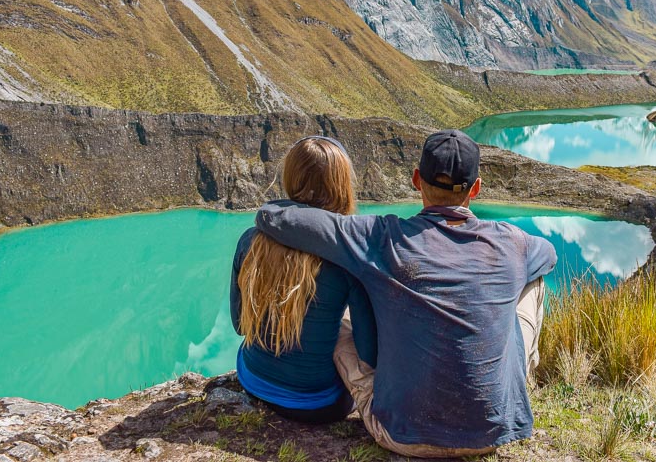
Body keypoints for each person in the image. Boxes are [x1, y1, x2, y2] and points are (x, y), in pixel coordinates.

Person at [255, 129, 556, 457]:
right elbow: (549, 255)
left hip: (400, 434)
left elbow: (285, 220)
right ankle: (510, 389)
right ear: (477, 188)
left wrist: (268, 209)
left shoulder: (382, 237)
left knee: (341, 322)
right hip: (491, 432)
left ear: (416, 179)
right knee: (532, 282)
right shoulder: (513, 243)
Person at [230, 136, 376, 424]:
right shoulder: (348, 256)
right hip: (321, 403)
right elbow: (369, 352)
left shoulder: (251, 240)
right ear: (341, 184)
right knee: (342, 325)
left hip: (253, 381)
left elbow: (239, 325)